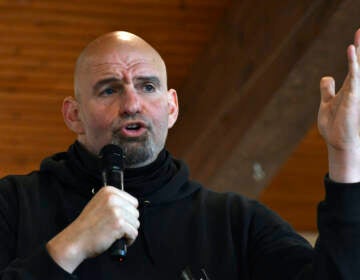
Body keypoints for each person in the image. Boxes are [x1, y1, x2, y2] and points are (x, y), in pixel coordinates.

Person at [0, 29, 360, 280]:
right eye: (109, 90)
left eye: (148, 86)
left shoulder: (235, 223)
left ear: (171, 107)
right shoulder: (14, 204)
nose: (131, 104)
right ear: (73, 114)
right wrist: (69, 247)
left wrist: (344, 153)